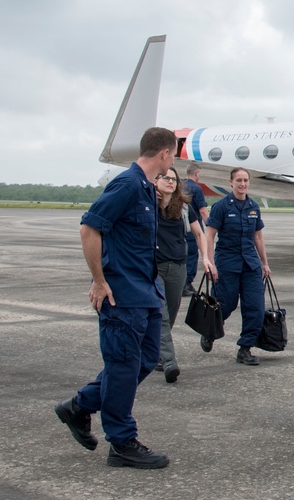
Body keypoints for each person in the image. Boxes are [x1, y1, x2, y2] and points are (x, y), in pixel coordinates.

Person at [54, 127, 177, 469]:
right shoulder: (126, 184)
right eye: (174, 154)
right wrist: (98, 280)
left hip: (146, 292)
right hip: (122, 295)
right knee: (123, 367)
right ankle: (121, 443)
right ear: (164, 154)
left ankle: (79, 405)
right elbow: (89, 227)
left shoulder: (145, 188)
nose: (174, 161)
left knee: (145, 359)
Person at [203, 167, 271, 365]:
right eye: (239, 180)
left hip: (250, 264)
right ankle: (210, 332)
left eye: (245, 180)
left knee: (255, 307)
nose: (242, 184)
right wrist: (209, 263)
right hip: (228, 263)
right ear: (231, 182)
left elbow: (258, 236)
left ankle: (245, 348)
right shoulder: (221, 206)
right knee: (226, 303)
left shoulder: (253, 207)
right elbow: (209, 234)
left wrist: (265, 263)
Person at [154, 166, 214, 383]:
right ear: (156, 181)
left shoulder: (184, 207)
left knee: (170, 312)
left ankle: (157, 353)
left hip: (178, 266)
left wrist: (205, 258)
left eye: (174, 179)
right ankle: (169, 361)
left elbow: (199, 233)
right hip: (154, 267)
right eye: (166, 178)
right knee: (160, 314)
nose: (171, 182)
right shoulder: (148, 203)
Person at [182, 164, 210, 297]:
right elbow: (203, 211)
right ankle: (186, 283)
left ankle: (182, 282)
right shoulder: (196, 189)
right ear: (197, 174)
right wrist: (210, 226)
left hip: (180, 227)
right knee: (192, 255)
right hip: (193, 228)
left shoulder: (180, 185)